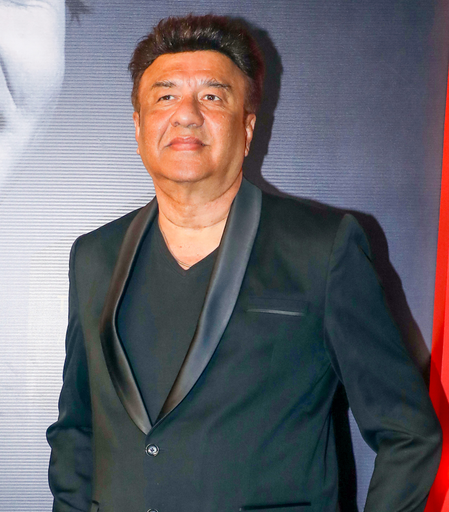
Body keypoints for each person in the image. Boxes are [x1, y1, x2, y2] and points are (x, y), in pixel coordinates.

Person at [47, 14, 442, 512]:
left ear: (248, 127)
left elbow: (408, 433)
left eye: (212, 97)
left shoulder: (322, 247)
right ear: (139, 125)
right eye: (165, 96)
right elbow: (77, 431)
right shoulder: (94, 256)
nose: (186, 114)